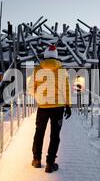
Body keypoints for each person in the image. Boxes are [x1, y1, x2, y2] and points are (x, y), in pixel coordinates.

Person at [29, 44, 71, 173]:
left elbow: (30, 87)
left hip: (43, 106)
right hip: (58, 107)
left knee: (39, 132)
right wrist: (68, 105)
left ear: (45, 55)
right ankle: (50, 163)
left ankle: (36, 160)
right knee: (55, 135)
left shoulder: (37, 69)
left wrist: (38, 97)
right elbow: (67, 89)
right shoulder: (63, 70)